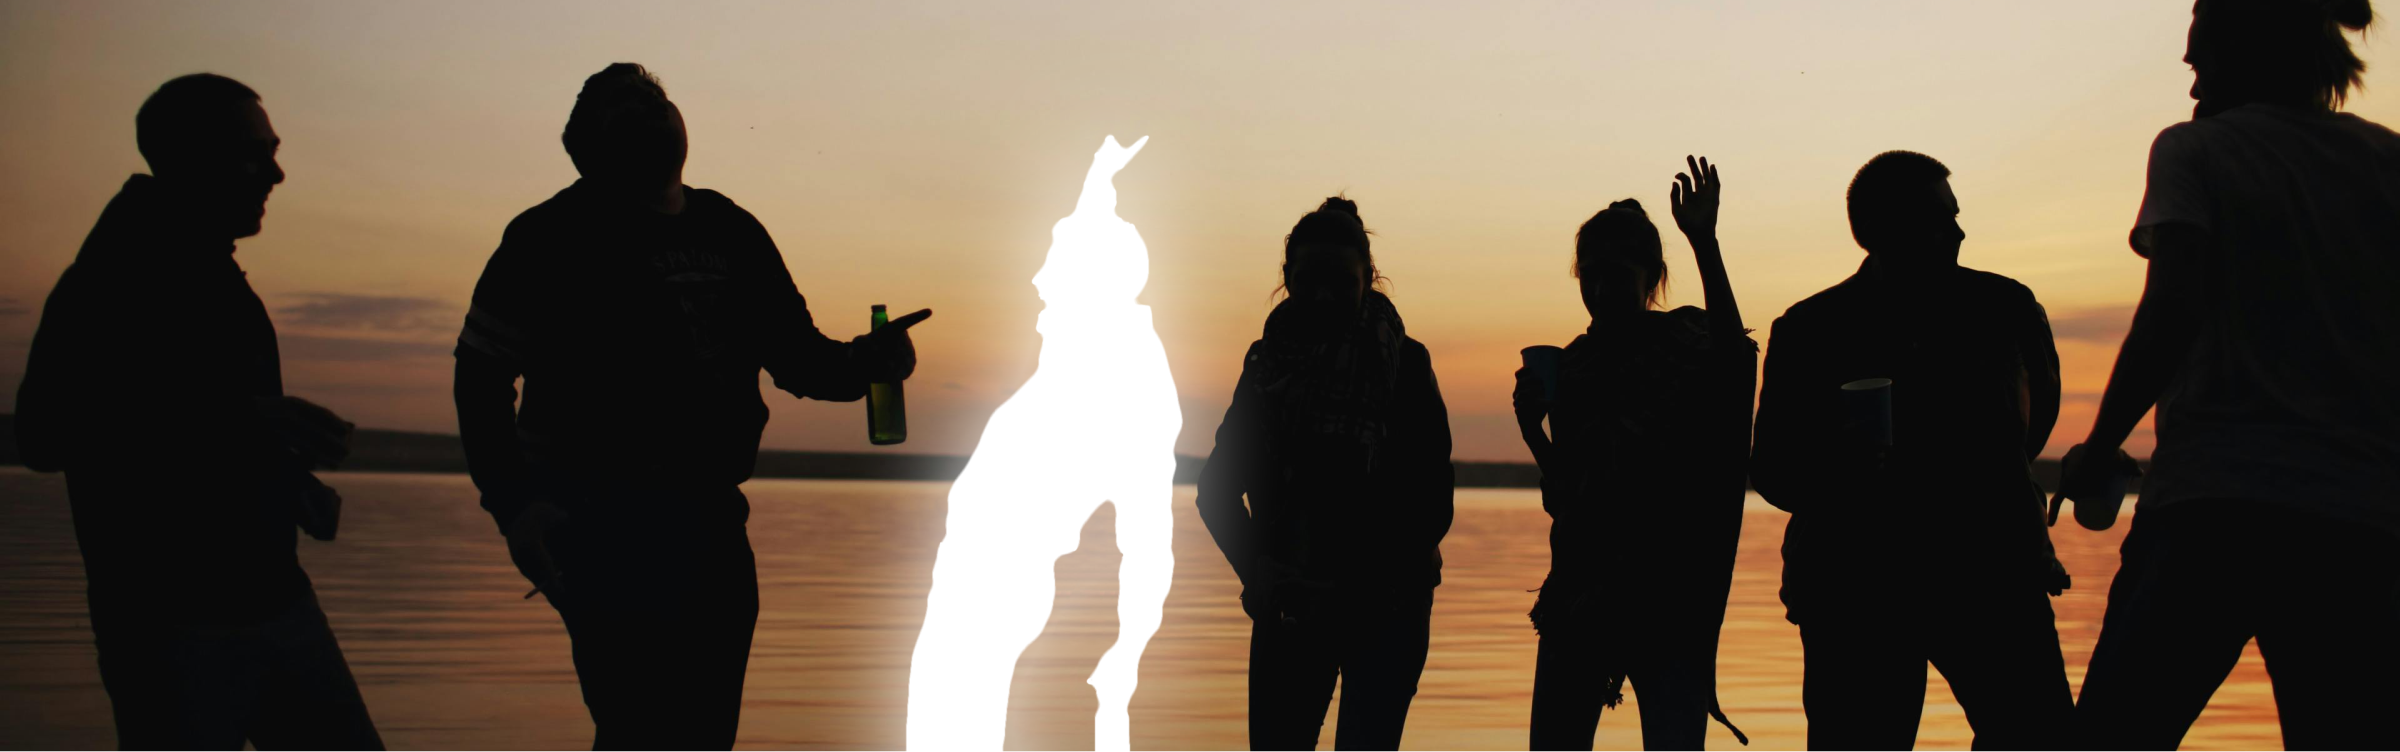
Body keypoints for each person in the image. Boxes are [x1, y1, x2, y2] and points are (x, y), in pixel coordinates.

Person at [452, 63, 926, 751]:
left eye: (657, 99)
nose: (650, 112)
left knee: (703, 733)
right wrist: (514, 505)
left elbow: (798, 358)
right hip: (596, 526)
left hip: (710, 521)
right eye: (626, 109)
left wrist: (869, 361)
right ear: (591, 150)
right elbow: (480, 376)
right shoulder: (549, 237)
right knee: (639, 727)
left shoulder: (730, 228)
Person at [2055, 2, 2400, 749]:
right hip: (2359, 518)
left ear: (2247, 53)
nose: (2192, 87)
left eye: (2199, 64)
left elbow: (2172, 309)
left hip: (2211, 506)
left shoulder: (2197, 149)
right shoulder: (2387, 160)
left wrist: (2099, 446)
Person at [13, 73, 384, 751]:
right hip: (171, 628)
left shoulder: (213, 270)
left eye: (273, 152)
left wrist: (285, 480)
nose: (275, 173)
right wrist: (241, 423)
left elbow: (202, 424)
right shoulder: (109, 277)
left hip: (276, 601)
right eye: (251, 154)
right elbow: (44, 433)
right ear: (187, 158)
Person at [1749, 151, 2071, 750]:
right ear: (1877, 231)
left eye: (1955, 216)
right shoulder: (1810, 329)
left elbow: (2032, 427)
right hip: (1858, 590)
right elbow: (1772, 469)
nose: (1959, 232)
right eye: (1938, 219)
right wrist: (1836, 466)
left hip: (1992, 577)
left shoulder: (2008, 307)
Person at [903, 136, 1180, 752]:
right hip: (964, 599)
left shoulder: (1127, 373)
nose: (1037, 279)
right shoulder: (1077, 357)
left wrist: (1127, 655)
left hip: (992, 603)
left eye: (1056, 266)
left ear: (1094, 280)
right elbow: (1089, 226)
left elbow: (1149, 540)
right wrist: (1099, 174)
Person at [1196, 196, 1455, 751]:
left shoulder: (1406, 364)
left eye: (1341, 282)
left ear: (1369, 278)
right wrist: (1258, 572)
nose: (1323, 296)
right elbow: (1215, 489)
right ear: (1287, 278)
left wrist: (1363, 585)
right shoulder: (1266, 367)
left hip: (1386, 609)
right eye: (1308, 281)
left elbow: (1433, 500)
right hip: (1290, 608)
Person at [1517, 158, 1753, 751]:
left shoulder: (1687, 342)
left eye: (1616, 274)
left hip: (1671, 598)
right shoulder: (1573, 364)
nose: (1599, 290)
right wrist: (1533, 432)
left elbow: (1734, 363)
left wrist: (1705, 242)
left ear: (1653, 276)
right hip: (1580, 594)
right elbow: (1568, 497)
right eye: (1589, 275)